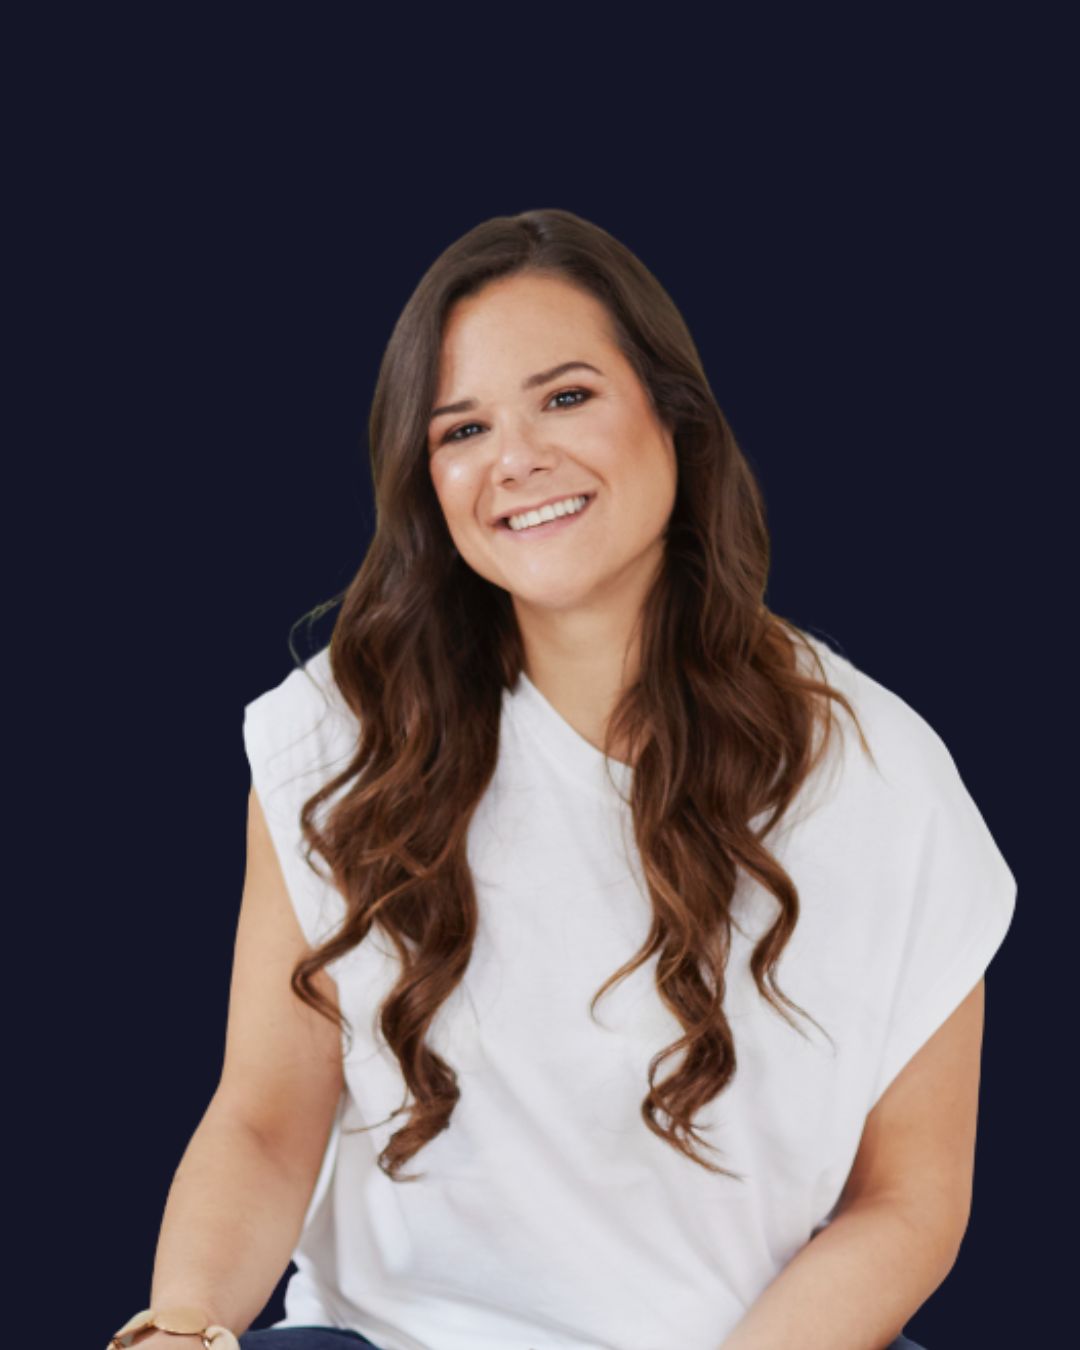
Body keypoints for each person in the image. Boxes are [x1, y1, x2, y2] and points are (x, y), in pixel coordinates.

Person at [107, 209, 1016, 1350]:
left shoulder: (879, 773)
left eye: (567, 397)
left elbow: (909, 1202)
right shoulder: (338, 738)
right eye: (463, 428)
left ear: (673, 415)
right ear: (428, 480)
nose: (517, 458)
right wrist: (182, 1325)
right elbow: (263, 1120)